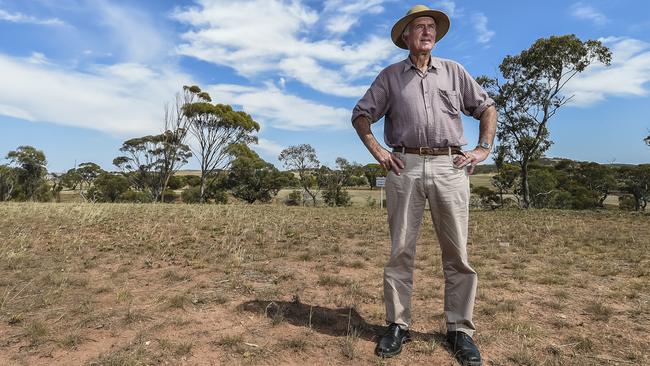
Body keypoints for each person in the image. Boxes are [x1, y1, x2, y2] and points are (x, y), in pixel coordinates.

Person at [351, 5, 497, 365]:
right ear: (405, 36)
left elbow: (487, 108)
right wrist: (379, 152)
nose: (427, 32)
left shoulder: (454, 72)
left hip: (450, 165)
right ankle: (398, 325)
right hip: (405, 165)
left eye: (432, 27)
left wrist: (482, 149)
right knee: (401, 250)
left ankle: (460, 330)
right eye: (420, 27)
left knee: (458, 254)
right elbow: (361, 115)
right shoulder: (389, 76)